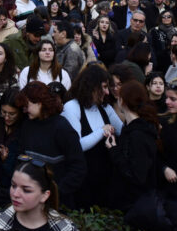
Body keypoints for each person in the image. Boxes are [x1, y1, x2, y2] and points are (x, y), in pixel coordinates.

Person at [16, 81, 86, 209]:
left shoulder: (62, 128)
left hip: (57, 203)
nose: (24, 110)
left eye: (27, 105)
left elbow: (78, 167)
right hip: (29, 200)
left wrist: (56, 192)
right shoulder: (27, 125)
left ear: (40, 102)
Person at [62, 63, 123, 209]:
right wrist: (102, 131)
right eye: (103, 87)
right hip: (83, 182)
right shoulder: (72, 107)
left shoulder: (105, 108)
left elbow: (124, 131)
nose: (107, 92)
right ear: (91, 87)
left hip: (106, 180)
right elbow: (77, 146)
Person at [0, 155, 79, 231]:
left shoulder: (66, 230)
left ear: (45, 195)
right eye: (13, 186)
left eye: (26, 190)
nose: (15, 194)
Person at [105, 80, 159, 212]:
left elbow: (136, 175)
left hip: (133, 204)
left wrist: (113, 150)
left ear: (122, 101)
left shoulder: (137, 134)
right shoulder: (133, 128)